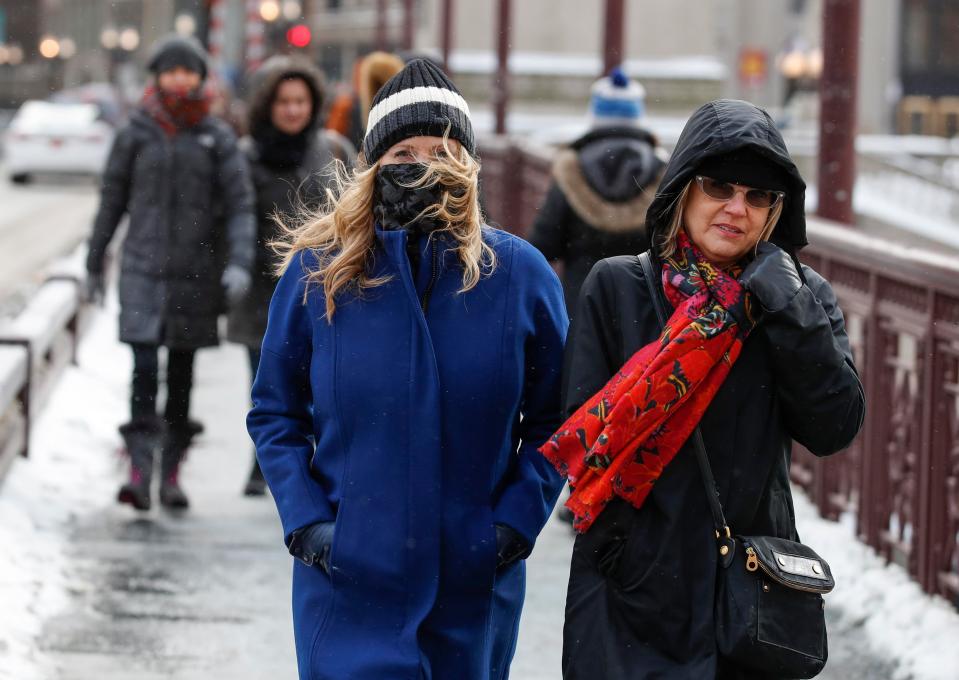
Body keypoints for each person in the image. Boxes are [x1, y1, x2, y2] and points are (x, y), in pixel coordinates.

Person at [247, 59, 567, 680]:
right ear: (373, 164)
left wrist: (512, 525)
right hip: (347, 578)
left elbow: (559, 419)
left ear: (469, 163)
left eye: (444, 149)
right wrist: (308, 524)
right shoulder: (319, 273)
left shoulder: (519, 275)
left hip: (470, 583)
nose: (424, 164)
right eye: (404, 149)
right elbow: (275, 412)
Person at [541, 99, 866, 679]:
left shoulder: (801, 297)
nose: (736, 208)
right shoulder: (619, 287)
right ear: (684, 189)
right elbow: (587, 443)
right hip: (634, 591)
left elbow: (833, 426)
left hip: (745, 597)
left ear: (775, 211)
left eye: (758, 196)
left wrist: (789, 307)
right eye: (719, 186)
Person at [85, 35, 255, 512]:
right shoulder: (136, 132)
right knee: (142, 369)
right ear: (157, 76)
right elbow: (112, 200)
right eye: (171, 70)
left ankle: (171, 473)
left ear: (202, 77)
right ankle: (139, 471)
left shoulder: (217, 137)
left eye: (189, 70)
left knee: (181, 373)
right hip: (141, 269)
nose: (180, 78)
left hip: (195, 275)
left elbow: (240, 207)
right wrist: (94, 260)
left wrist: (238, 262)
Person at [229, 56, 356, 497]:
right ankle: (263, 463)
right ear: (268, 105)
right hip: (262, 287)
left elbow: (354, 210)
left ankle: (316, 464)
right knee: (266, 385)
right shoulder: (246, 154)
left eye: (300, 101)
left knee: (321, 381)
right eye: (283, 101)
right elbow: (235, 215)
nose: (292, 110)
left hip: (322, 284)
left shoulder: (335, 149)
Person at [528, 67, 664, 314]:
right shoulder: (660, 171)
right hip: (642, 306)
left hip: (582, 302)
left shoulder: (571, 168)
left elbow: (544, 244)